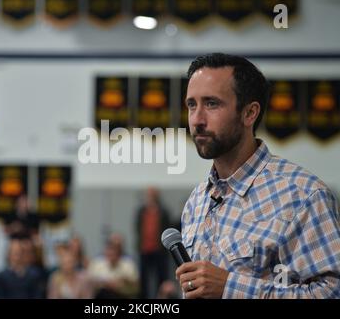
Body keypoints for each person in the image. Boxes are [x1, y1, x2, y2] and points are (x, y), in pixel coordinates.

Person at [176, 53, 340, 299]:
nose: (197, 120)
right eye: (192, 105)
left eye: (212, 104)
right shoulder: (196, 202)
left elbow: (331, 292)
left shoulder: (302, 195)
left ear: (249, 113)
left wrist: (230, 288)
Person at [135, 187, 170, 298]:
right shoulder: (141, 211)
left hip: (159, 250)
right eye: (149, 194)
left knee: (161, 277)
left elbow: (166, 228)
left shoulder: (163, 212)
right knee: (143, 278)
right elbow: (137, 228)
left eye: (152, 194)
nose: (150, 197)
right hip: (145, 249)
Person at [89, 233, 139, 299]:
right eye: (109, 251)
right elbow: (88, 282)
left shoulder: (128, 264)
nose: (111, 255)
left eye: (114, 252)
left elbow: (136, 286)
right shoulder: (97, 263)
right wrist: (105, 284)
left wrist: (123, 283)